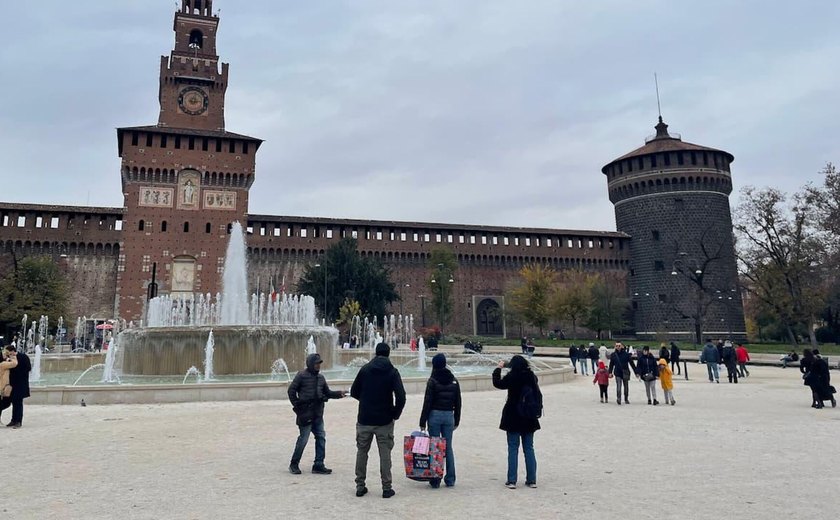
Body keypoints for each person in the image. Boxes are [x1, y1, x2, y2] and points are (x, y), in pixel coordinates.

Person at [350, 342, 406, 499]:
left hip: (365, 418)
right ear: (389, 354)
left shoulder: (365, 369)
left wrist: (366, 400)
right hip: (384, 420)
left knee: (362, 452)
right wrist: (395, 413)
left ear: (376, 353)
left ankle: (360, 486)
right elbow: (401, 397)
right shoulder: (392, 372)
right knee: (385, 454)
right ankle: (386, 488)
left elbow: (354, 391)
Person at [287, 353, 345, 475]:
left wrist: (339, 394)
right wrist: (297, 405)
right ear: (310, 364)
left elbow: (327, 393)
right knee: (303, 439)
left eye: (319, 363)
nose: (318, 365)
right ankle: (294, 464)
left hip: (318, 414)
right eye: (316, 363)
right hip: (305, 414)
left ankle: (318, 464)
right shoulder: (301, 376)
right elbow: (291, 390)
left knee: (321, 438)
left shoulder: (321, 378)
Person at [492, 355, 541, 489]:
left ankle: (512, 480)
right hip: (529, 416)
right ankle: (531, 480)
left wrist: (498, 368)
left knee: (513, 449)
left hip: (513, 415)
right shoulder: (531, 377)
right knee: (529, 448)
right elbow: (537, 393)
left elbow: (498, 383)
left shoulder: (512, 376)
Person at [419, 353, 462, 488]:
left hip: (435, 415)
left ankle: (435, 479)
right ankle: (450, 479)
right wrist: (456, 419)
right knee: (448, 447)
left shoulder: (432, 381)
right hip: (449, 415)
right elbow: (458, 402)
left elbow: (427, 402)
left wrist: (422, 421)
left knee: (435, 447)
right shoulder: (454, 380)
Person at [3, 344, 31, 428]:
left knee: (18, 403)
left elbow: (28, 368)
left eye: (8, 352)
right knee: (13, 402)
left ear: (12, 351)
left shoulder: (23, 357)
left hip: (20, 384)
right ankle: (13, 420)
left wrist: (16, 370)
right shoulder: (9, 360)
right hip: (12, 385)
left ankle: (18, 421)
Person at [0, 347, 19, 423]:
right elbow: (15, 364)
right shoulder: (3, 364)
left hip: (2, 386)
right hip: (2, 387)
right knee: (6, 403)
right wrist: (13, 357)